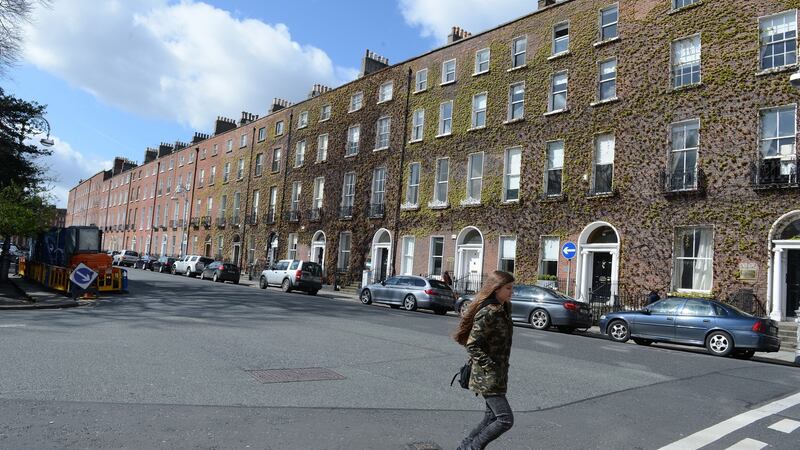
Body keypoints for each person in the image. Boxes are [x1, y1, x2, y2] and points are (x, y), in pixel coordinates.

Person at [453, 270, 515, 450]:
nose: (512, 292)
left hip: (498, 373)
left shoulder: (504, 308)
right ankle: (472, 448)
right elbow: (472, 345)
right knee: (505, 419)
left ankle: (464, 447)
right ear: (496, 289)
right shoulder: (489, 312)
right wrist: (490, 366)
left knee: (490, 417)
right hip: (488, 376)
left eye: (512, 288)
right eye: (508, 288)